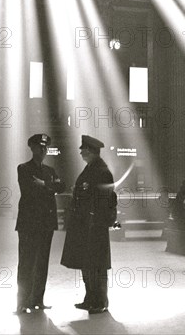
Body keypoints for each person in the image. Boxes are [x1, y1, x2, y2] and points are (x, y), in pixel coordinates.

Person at [61, 135, 116, 315]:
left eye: (83, 149)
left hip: (95, 226)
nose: (81, 151)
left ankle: (100, 301)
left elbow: (107, 200)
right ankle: (90, 298)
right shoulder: (91, 169)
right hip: (84, 225)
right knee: (87, 263)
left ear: (91, 151)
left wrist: (97, 220)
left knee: (97, 264)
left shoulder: (102, 171)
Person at [15, 133, 65, 314]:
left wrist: (43, 184)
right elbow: (29, 190)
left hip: (45, 223)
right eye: (39, 147)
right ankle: (22, 302)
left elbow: (62, 186)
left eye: (45, 148)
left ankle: (37, 300)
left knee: (42, 263)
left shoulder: (49, 171)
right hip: (29, 223)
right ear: (32, 148)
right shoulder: (23, 168)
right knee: (26, 262)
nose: (42, 151)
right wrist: (49, 186)